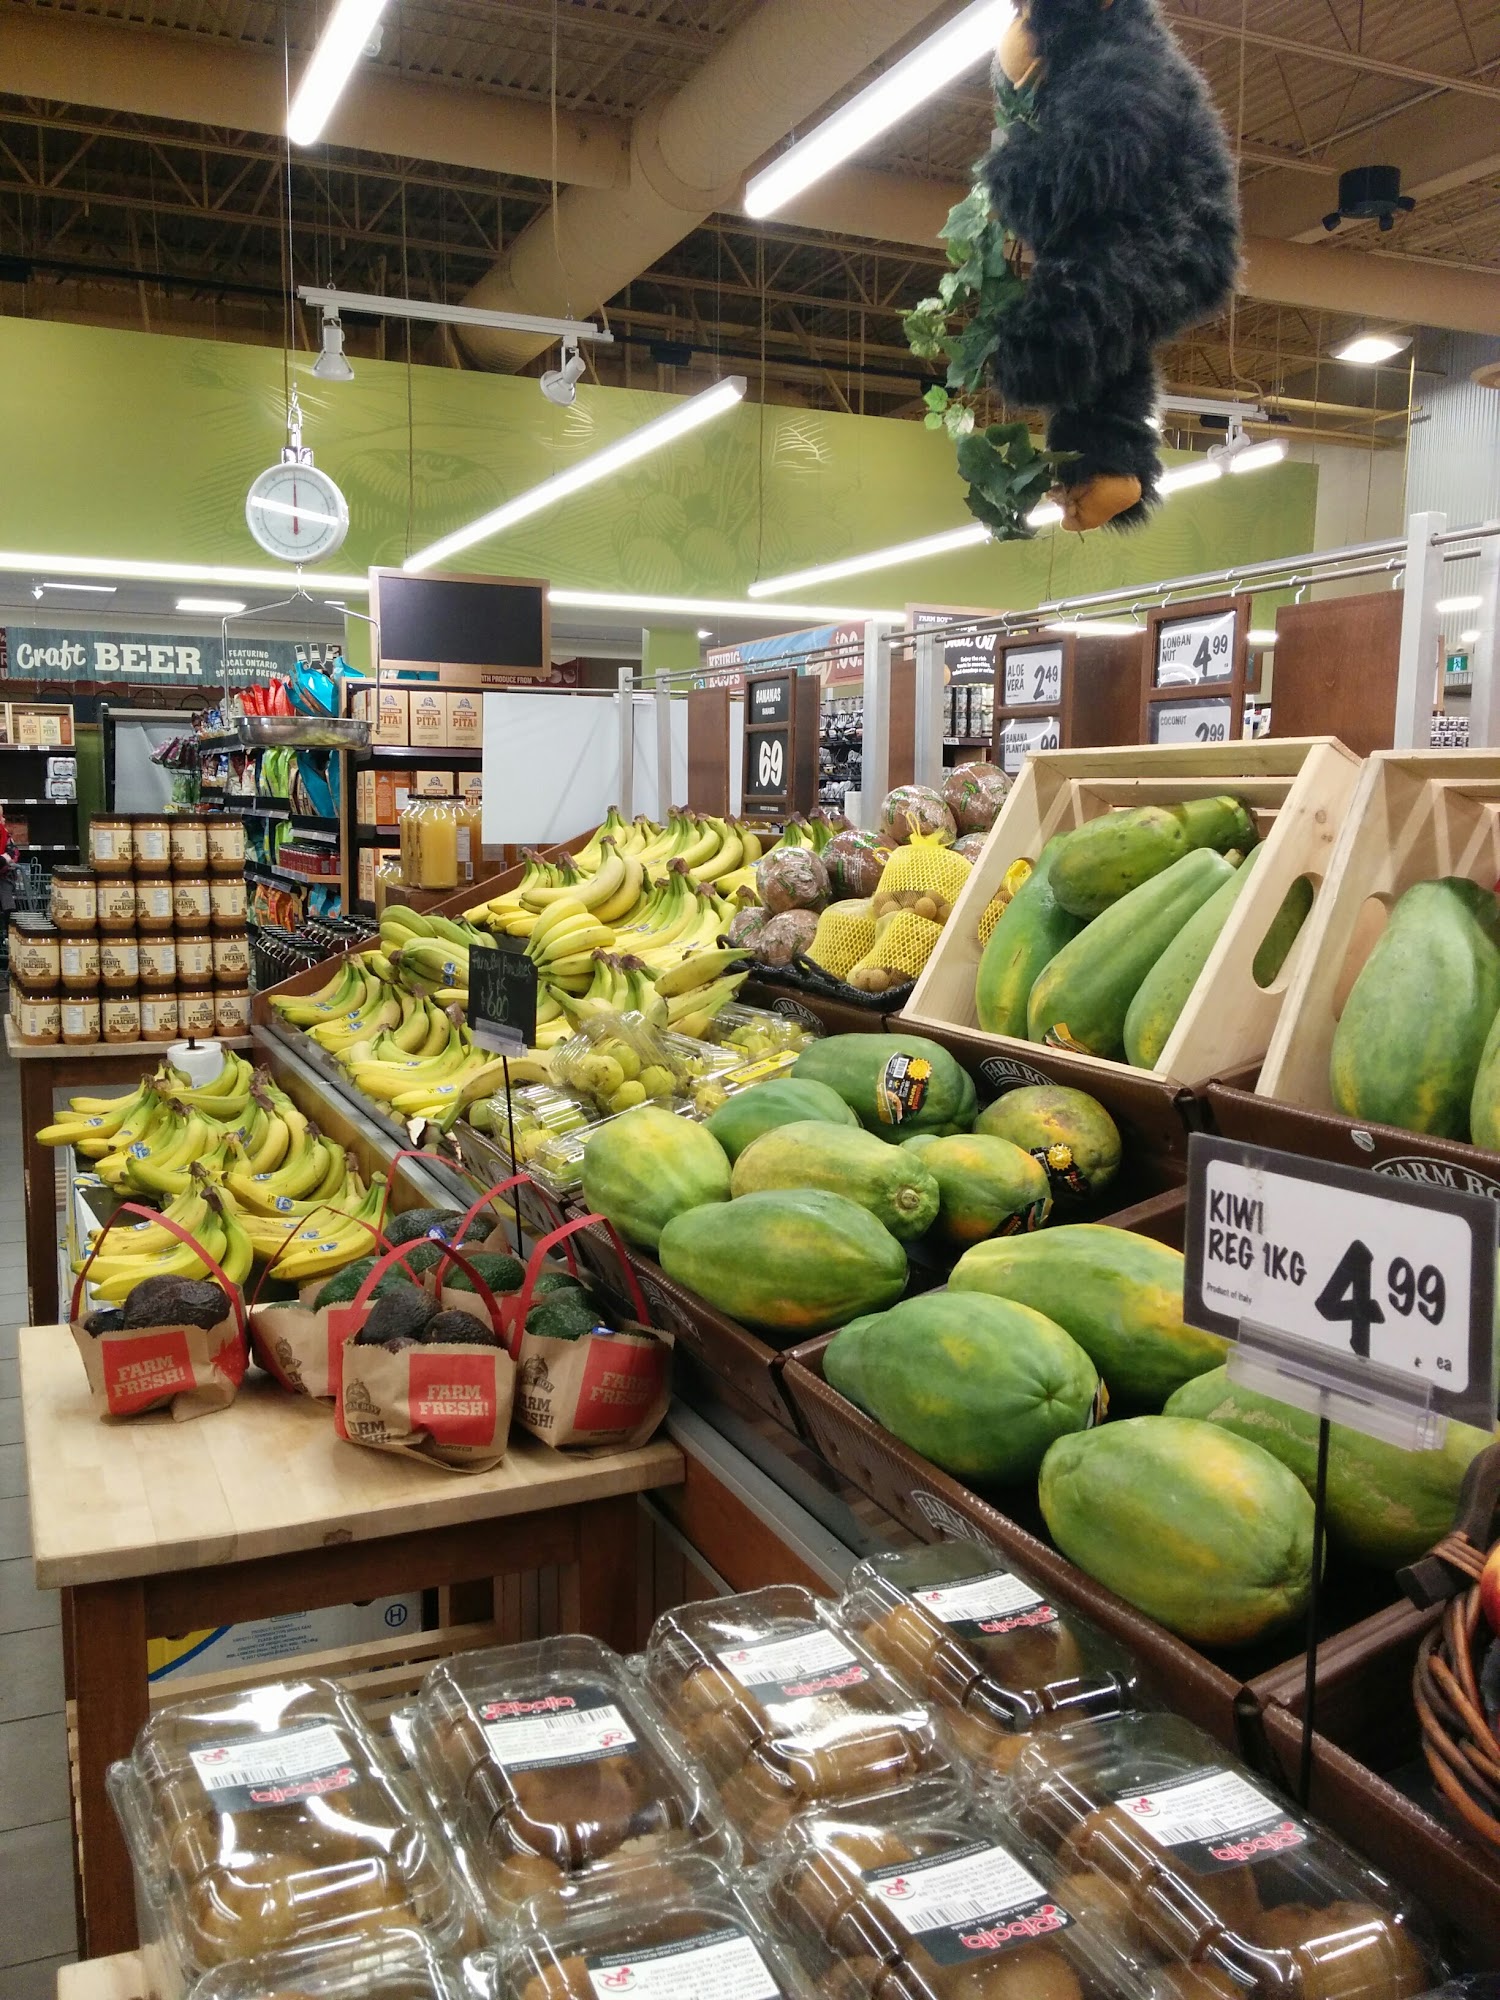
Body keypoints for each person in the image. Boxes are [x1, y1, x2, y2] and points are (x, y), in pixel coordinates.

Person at [0, 810, 20, 913]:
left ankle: (8, 915)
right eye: (1, 816)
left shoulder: (6, 836)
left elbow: (13, 853)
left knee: (5, 889)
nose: (4, 819)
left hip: (5, 874)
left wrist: (4, 859)